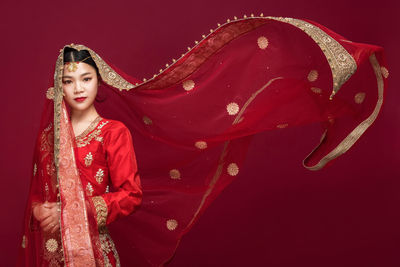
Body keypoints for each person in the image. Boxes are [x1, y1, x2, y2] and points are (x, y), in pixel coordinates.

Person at [17, 15, 388, 266]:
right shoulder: (51, 137)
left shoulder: (113, 133)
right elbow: (39, 196)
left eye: (85, 78)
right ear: (58, 86)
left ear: (100, 83)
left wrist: (78, 212)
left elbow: (129, 196)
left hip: (95, 253)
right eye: (69, 80)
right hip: (51, 254)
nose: (77, 88)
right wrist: (40, 213)